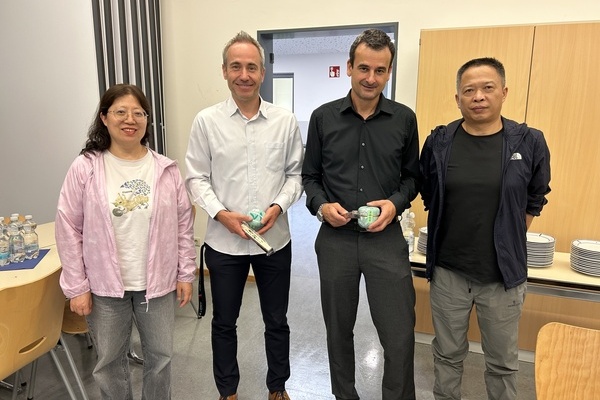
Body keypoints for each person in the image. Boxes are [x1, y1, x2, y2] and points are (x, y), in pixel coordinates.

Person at [420, 57, 551, 400]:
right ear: (458, 98)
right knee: (447, 355)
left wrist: (510, 234)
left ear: (504, 92)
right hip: (449, 271)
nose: (478, 96)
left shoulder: (529, 141)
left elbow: (536, 196)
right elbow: (430, 194)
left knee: (503, 363)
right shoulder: (439, 142)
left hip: (502, 276)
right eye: (469, 90)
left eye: (487, 88)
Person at [55, 83, 196, 400]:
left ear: (147, 120)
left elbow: (183, 225)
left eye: (138, 113)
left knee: (161, 359)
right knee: (108, 364)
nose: (130, 119)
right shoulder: (86, 167)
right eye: (120, 112)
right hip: (104, 287)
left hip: (157, 284)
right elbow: (68, 227)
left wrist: (186, 273)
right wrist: (76, 286)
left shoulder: (166, 169)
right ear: (104, 118)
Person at [301, 29, 421, 400]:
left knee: (399, 334)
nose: (371, 78)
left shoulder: (404, 119)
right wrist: (322, 206)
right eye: (364, 68)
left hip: (385, 240)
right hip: (335, 240)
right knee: (338, 331)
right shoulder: (323, 118)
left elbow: (412, 178)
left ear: (389, 73)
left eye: (380, 70)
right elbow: (310, 177)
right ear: (349, 67)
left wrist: (395, 203)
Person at [185, 31, 304, 400]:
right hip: (224, 244)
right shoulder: (206, 121)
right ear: (224, 71)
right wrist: (221, 214)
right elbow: (196, 177)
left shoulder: (285, 120)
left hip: (274, 240)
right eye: (236, 66)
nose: (244, 75)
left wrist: (277, 207)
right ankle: (228, 391)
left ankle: (277, 387)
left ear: (262, 73)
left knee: (276, 321)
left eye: (252, 67)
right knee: (224, 322)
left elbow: (296, 175)